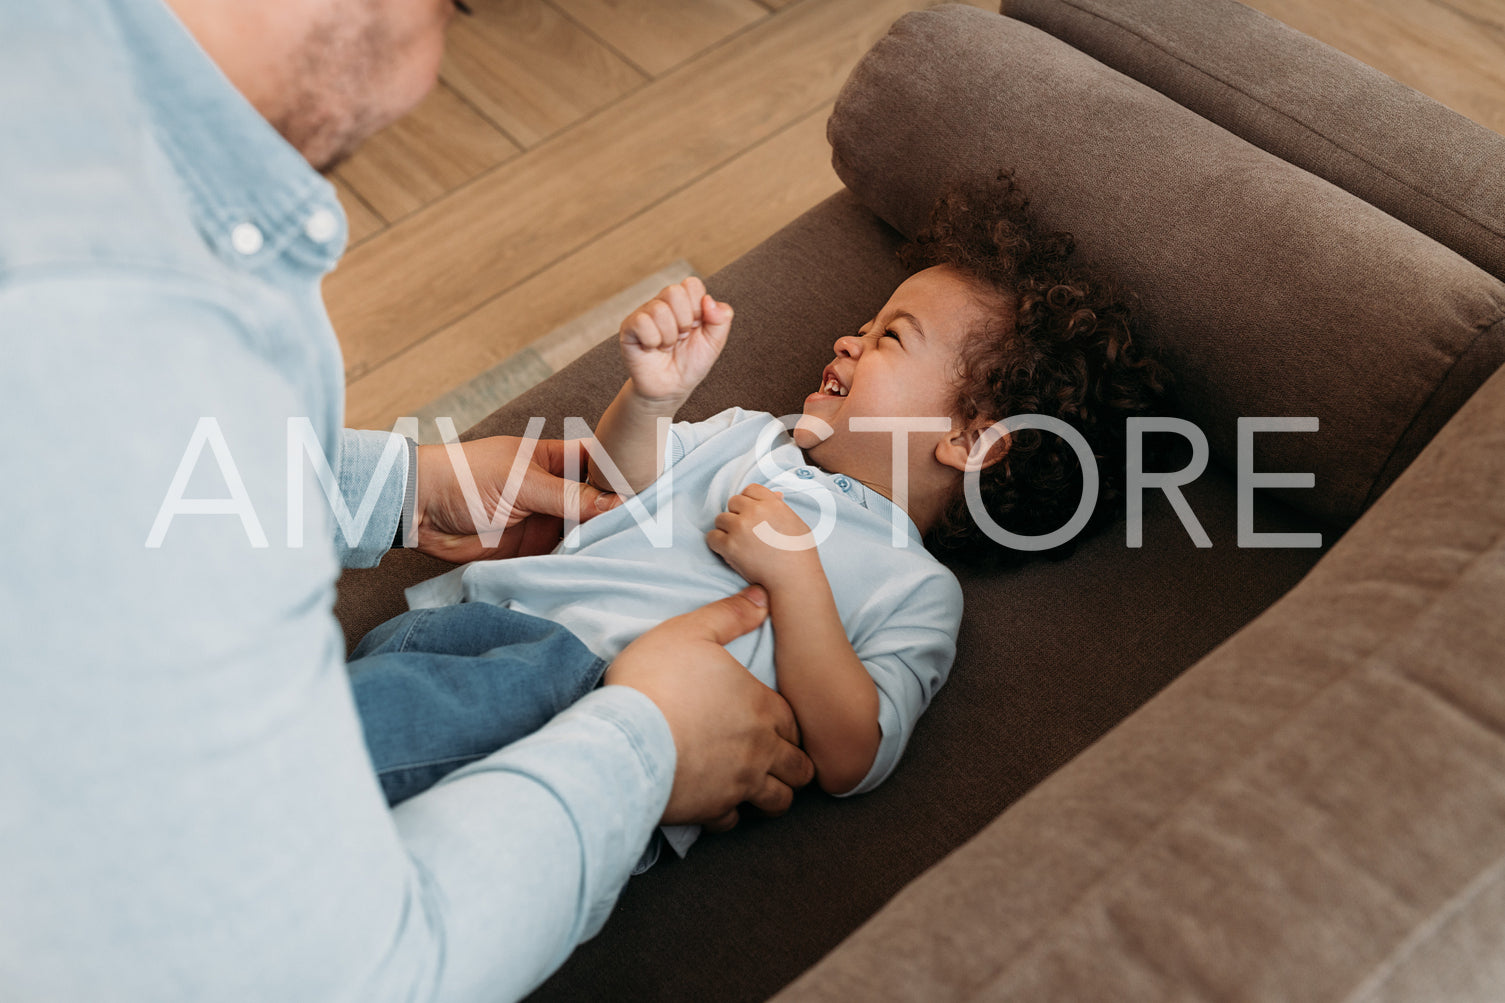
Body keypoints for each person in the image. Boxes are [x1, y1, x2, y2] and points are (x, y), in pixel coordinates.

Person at [1, 1, 813, 1000]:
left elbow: (111, 498)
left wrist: (389, 486)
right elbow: (344, 978)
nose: (433, 65)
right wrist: (646, 744)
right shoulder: (120, 335)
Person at [342, 171, 1171, 869]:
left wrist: (796, 577)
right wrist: (652, 398)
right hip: (473, 626)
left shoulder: (913, 587)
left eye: (890, 337)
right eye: (866, 323)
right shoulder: (750, 434)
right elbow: (615, 489)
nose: (848, 339)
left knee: (347, 806)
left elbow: (854, 753)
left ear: (969, 439)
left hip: (591, 698)